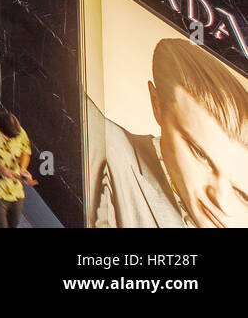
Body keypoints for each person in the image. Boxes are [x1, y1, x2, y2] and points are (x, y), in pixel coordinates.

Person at [91, 37, 248, 228]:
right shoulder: (104, 143)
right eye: (200, 154)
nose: (222, 203)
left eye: (243, 195)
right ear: (157, 105)